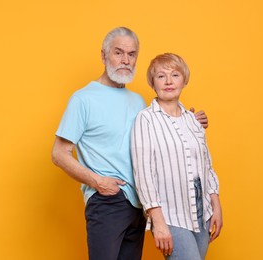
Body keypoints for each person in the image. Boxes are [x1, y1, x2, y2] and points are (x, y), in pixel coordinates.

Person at [51, 27, 208, 260]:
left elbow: (159, 132)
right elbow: (59, 153)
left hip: (139, 203)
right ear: (104, 56)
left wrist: (187, 120)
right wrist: (99, 182)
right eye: (118, 53)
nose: (125, 60)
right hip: (107, 201)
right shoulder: (83, 99)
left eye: (131, 54)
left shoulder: (138, 101)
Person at [131, 53, 223, 259]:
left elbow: (206, 165)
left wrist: (216, 206)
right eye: (161, 76)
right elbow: (143, 173)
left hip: (202, 210)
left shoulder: (193, 120)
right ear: (152, 83)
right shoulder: (145, 119)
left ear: (184, 80)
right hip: (171, 214)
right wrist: (158, 222)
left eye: (175, 74)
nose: (169, 81)